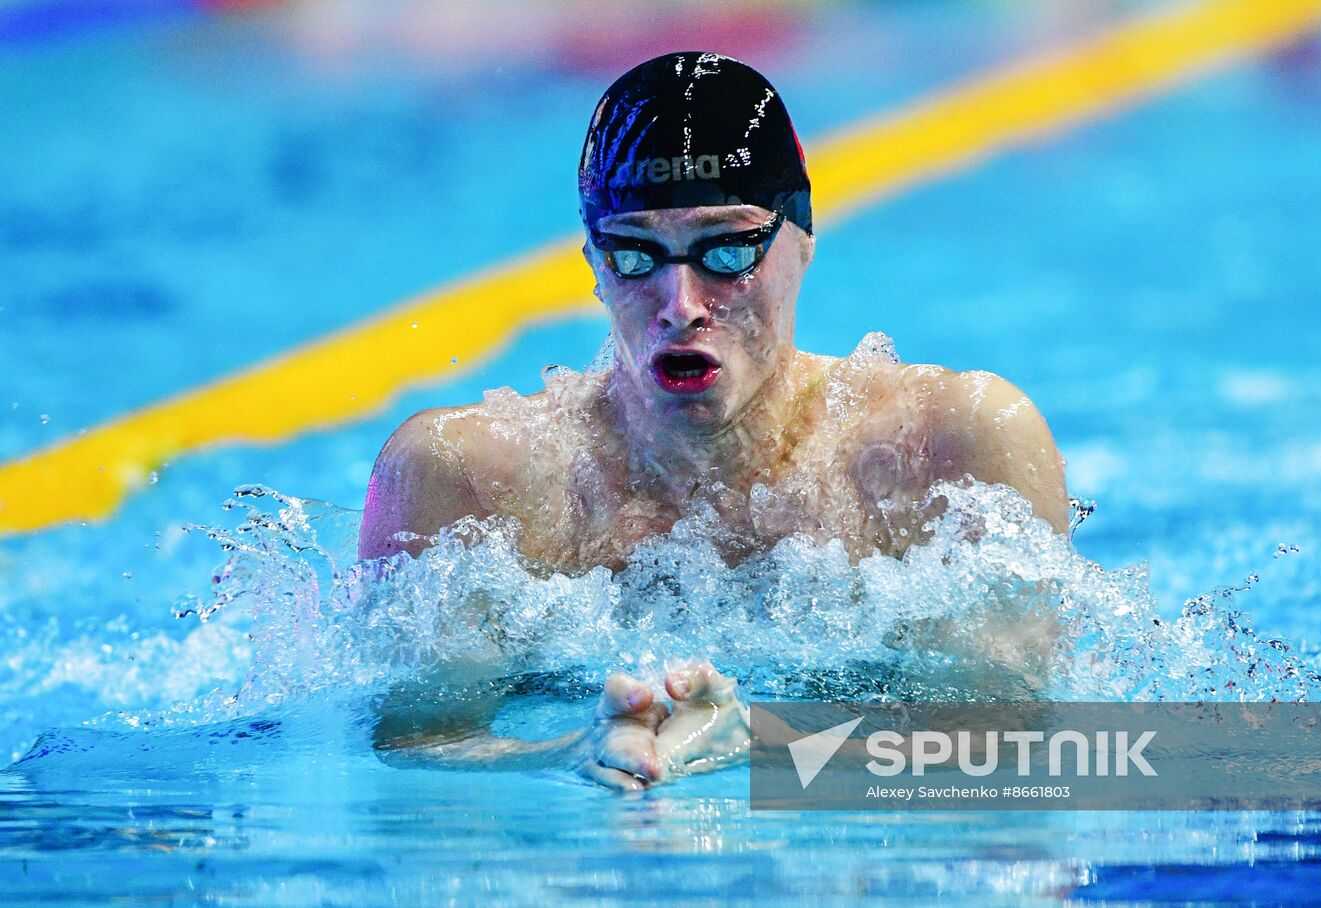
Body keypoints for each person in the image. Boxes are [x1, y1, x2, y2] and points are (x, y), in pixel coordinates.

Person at [359, 52, 1069, 790]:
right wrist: (566, 754)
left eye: (727, 250)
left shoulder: (948, 448)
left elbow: (1025, 748)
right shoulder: (469, 480)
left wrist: (771, 744)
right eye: (635, 255)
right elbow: (412, 752)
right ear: (594, 261)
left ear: (803, 241)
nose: (681, 304)